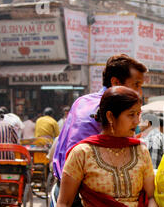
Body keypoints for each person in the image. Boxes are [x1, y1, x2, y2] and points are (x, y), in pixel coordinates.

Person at [52, 54, 147, 183]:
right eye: (136, 85)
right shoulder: (114, 107)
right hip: (83, 188)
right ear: (115, 83)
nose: (139, 92)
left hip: (63, 180)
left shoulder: (81, 101)